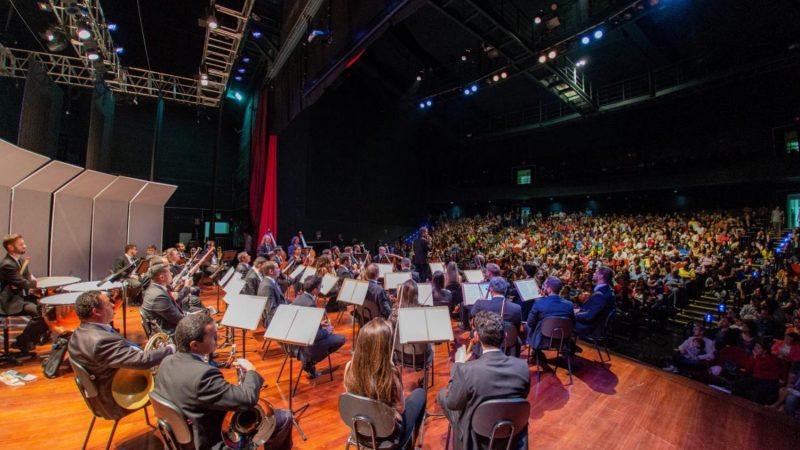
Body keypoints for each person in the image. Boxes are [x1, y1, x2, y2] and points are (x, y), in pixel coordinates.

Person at [154, 313, 293, 450]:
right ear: (195, 345)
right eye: (214, 336)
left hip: (184, 438)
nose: (219, 337)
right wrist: (251, 371)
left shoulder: (166, 362)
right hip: (209, 442)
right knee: (285, 417)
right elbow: (247, 399)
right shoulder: (203, 376)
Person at [68, 290, 175, 419]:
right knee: (178, 380)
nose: (113, 306)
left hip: (104, 389)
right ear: (96, 312)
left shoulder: (79, 333)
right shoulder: (100, 341)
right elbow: (142, 361)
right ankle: (173, 426)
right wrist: (170, 348)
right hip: (116, 399)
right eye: (108, 304)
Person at [437, 311, 530, 450]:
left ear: (477, 337)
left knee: (442, 395)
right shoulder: (522, 367)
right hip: (510, 432)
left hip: (475, 439)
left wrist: (458, 366)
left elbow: (452, 403)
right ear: (505, 336)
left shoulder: (466, 370)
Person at [343, 318, 426, 447]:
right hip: (388, 437)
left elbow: (351, 394)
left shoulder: (349, 367)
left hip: (360, 429)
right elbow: (401, 408)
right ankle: (408, 445)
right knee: (420, 394)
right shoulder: (390, 375)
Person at [293, 275, 346, 378]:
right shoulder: (309, 304)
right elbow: (313, 335)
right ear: (314, 290)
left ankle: (309, 360)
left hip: (296, 340)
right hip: (305, 344)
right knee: (341, 339)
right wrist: (327, 331)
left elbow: (304, 323)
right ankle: (310, 361)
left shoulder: (299, 298)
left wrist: (320, 324)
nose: (321, 288)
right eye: (320, 287)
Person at [0, 233, 45, 352]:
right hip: (10, 301)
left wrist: (31, 282)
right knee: (39, 314)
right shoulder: (7, 265)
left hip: (21, 297)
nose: (24, 246)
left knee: (47, 311)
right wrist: (36, 283)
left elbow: (26, 279)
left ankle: (28, 341)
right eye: (21, 244)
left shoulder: (19, 261)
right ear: (10, 247)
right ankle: (22, 342)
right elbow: (24, 283)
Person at [526, 276, 575, 352]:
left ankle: (535, 351)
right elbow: (573, 324)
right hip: (562, 341)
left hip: (542, 341)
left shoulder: (539, 302)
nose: (543, 288)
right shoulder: (569, 304)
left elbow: (530, 323)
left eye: (544, 286)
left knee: (527, 325)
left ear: (549, 289)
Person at [574, 266, 616, 347]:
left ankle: (565, 346)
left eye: (596, 272)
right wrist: (579, 310)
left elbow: (589, 316)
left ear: (601, 276)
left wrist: (574, 314)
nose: (594, 273)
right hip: (596, 324)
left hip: (592, 328)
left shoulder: (601, 294)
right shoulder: (607, 290)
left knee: (562, 319)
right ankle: (568, 345)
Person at [256, 261, 286, 327]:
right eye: (277, 268)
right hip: (274, 320)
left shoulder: (271, 280)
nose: (279, 270)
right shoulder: (267, 286)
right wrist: (287, 311)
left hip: (281, 309)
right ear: (271, 271)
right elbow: (272, 310)